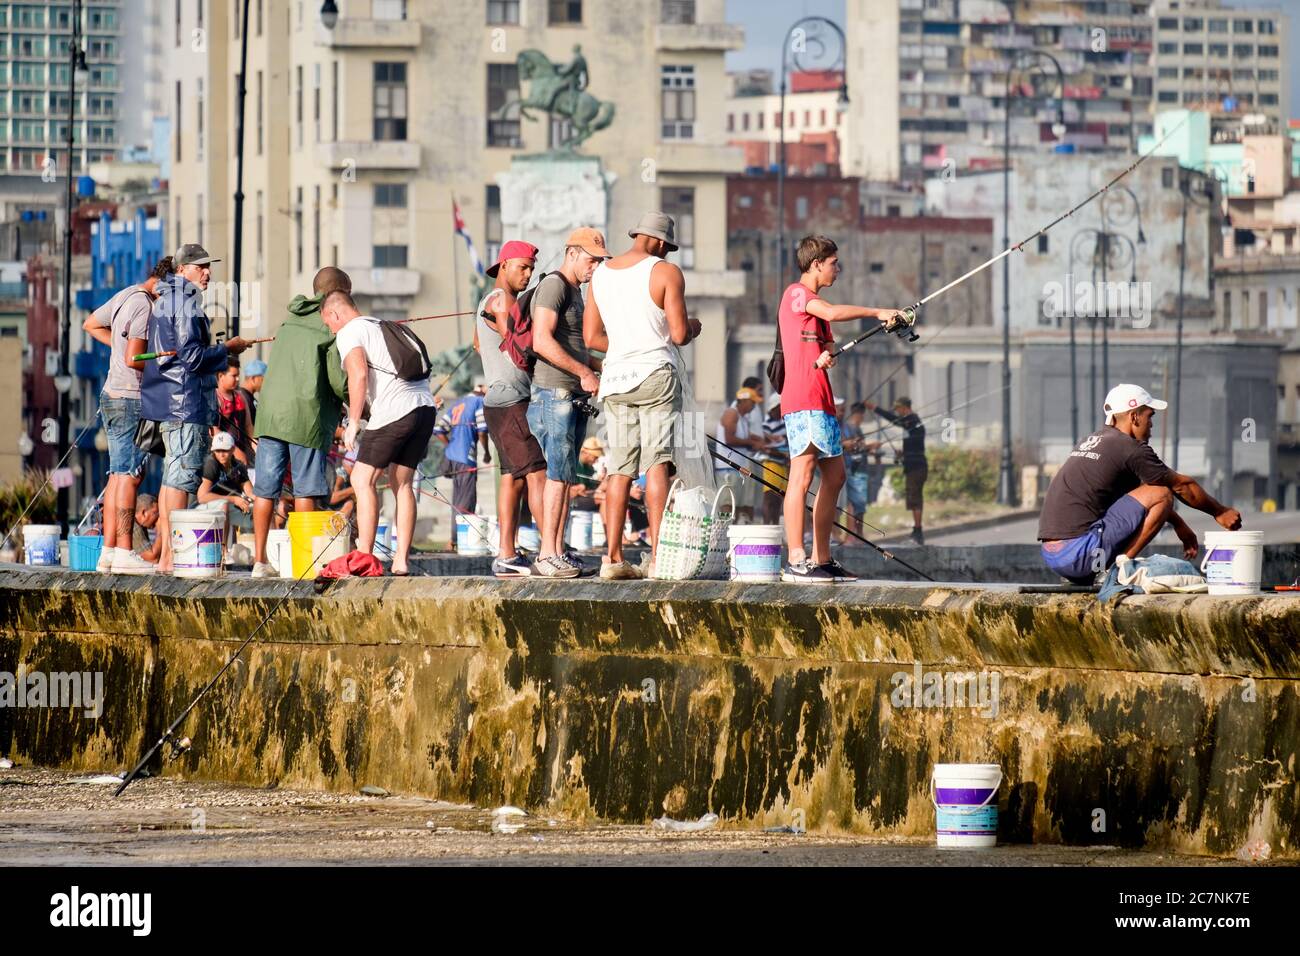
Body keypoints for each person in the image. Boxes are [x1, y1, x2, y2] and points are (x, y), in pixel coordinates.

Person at [777, 235, 906, 583]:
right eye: (834, 263)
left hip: (821, 400)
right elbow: (832, 311)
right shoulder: (798, 294)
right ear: (817, 263)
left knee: (835, 477)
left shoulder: (817, 310)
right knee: (802, 474)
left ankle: (822, 558)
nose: (839, 269)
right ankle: (796, 558)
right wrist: (878, 311)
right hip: (802, 399)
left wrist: (824, 354)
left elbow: (823, 341)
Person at [585, 212, 701, 580]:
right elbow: (680, 334)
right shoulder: (665, 272)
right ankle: (656, 557)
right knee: (656, 463)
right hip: (655, 375)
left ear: (637, 234)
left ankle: (613, 559)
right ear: (663, 244)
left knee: (619, 469)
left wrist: (624, 346)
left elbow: (592, 339)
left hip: (616, 380)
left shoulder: (600, 274)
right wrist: (694, 326)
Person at [1038, 384, 1242, 584]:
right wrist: (1219, 511)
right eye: (1149, 416)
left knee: (1156, 493)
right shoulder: (1131, 449)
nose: (1151, 424)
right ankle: (1115, 570)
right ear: (1134, 417)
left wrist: (1179, 524)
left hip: (1054, 557)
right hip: (1081, 554)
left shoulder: (1091, 441)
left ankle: (1092, 572)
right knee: (1163, 492)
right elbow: (1181, 486)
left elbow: (1140, 500)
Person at [141, 244, 251, 574]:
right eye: (200, 266)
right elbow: (192, 358)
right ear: (183, 269)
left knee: (170, 479)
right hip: (185, 402)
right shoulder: (185, 303)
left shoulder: (163, 300)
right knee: (182, 478)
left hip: (166, 401)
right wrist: (226, 350)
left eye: (209, 266)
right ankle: (172, 557)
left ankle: (165, 558)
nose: (208, 273)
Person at [323, 289, 435, 576]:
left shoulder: (349, 331)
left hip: (395, 411)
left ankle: (365, 556)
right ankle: (401, 561)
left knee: (361, 477)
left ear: (335, 314)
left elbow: (358, 374)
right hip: (424, 407)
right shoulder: (382, 324)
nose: (330, 329)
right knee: (403, 483)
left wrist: (354, 421)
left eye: (328, 323)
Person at [250, 267, 351, 578]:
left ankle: (259, 562)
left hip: (269, 416)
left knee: (265, 490)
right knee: (306, 489)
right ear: (339, 294)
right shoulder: (328, 325)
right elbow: (338, 380)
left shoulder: (289, 321)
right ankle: (304, 562)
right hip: (303, 416)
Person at [84, 256, 174, 574]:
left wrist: (118, 353)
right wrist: (163, 360)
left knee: (116, 476)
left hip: (111, 394)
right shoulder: (145, 307)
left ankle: (108, 551)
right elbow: (135, 356)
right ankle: (124, 551)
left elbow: (91, 324)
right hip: (130, 398)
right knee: (130, 476)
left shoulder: (125, 294)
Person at [527, 227, 607, 579]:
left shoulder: (576, 291)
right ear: (571, 253)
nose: (595, 267)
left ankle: (558, 551)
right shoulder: (554, 285)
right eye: (591, 260)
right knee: (557, 476)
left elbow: (576, 345)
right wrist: (584, 372)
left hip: (572, 395)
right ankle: (546, 555)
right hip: (553, 394)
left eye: (599, 261)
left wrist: (603, 368)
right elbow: (541, 341)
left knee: (567, 474)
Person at [475, 240, 548, 578]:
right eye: (522, 267)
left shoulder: (488, 302)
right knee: (538, 474)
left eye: (531, 269)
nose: (528, 274)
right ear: (503, 266)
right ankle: (550, 550)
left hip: (497, 402)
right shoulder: (502, 301)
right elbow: (520, 351)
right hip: (513, 401)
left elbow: (480, 344)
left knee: (513, 478)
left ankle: (507, 554)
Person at [434, 381, 491, 549]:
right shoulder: (478, 402)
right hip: (466, 458)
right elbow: (482, 430)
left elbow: (438, 430)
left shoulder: (458, 403)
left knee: (457, 500)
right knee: (467, 500)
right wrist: (486, 452)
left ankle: (454, 539)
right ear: (481, 389)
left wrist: (450, 446)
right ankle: (460, 540)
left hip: (451, 459)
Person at [866, 395, 927, 544]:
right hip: (913, 465)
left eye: (898, 409)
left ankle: (918, 532)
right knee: (913, 498)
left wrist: (875, 409)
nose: (897, 412)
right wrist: (903, 453)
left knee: (915, 499)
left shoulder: (912, 421)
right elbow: (914, 444)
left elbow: (895, 420)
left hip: (916, 467)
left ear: (904, 408)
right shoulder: (910, 424)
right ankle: (916, 530)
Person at [714, 387, 767, 522]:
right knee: (728, 504)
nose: (754, 406)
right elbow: (729, 439)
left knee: (739, 505)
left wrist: (764, 440)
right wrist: (752, 443)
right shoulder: (731, 414)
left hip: (739, 468)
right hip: (727, 469)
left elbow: (749, 437)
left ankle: (734, 535)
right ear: (744, 401)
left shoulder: (742, 418)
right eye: (752, 403)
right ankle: (724, 534)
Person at [196, 431, 254, 554]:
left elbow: (249, 491)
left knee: (261, 507)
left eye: (225, 450)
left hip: (230, 508)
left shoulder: (238, 465)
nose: (221, 454)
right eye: (218, 451)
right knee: (224, 504)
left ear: (233, 449)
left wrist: (256, 500)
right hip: (205, 508)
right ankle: (223, 552)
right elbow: (202, 497)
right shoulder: (211, 464)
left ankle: (265, 554)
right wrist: (234, 499)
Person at [840, 401, 873, 542]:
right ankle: (855, 535)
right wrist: (869, 446)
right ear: (859, 414)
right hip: (855, 471)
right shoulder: (851, 428)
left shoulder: (851, 428)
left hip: (857, 469)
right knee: (857, 503)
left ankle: (855, 535)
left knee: (855, 504)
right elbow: (855, 448)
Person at [215, 357, 255, 464]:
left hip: (242, 454)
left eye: (238, 375)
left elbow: (249, 427)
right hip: (222, 458)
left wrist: (258, 448)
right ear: (221, 376)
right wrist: (234, 451)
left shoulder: (240, 397)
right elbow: (214, 431)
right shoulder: (214, 398)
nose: (237, 379)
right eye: (234, 376)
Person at [759, 394, 789, 524]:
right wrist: (781, 454)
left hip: (783, 464)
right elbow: (764, 446)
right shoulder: (766, 424)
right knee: (769, 497)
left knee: (779, 498)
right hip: (771, 463)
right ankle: (767, 526)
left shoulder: (784, 422)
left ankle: (775, 527)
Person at [131, 493, 161, 563]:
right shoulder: (133, 524)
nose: (158, 517)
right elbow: (152, 559)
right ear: (144, 513)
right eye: (155, 513)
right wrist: (161, 530)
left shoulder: (141, 524)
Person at [240, 358, 267, 427]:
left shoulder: (249, 397)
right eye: (263, 379)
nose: (266, 383)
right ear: (254, 378)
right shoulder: (242, 398)